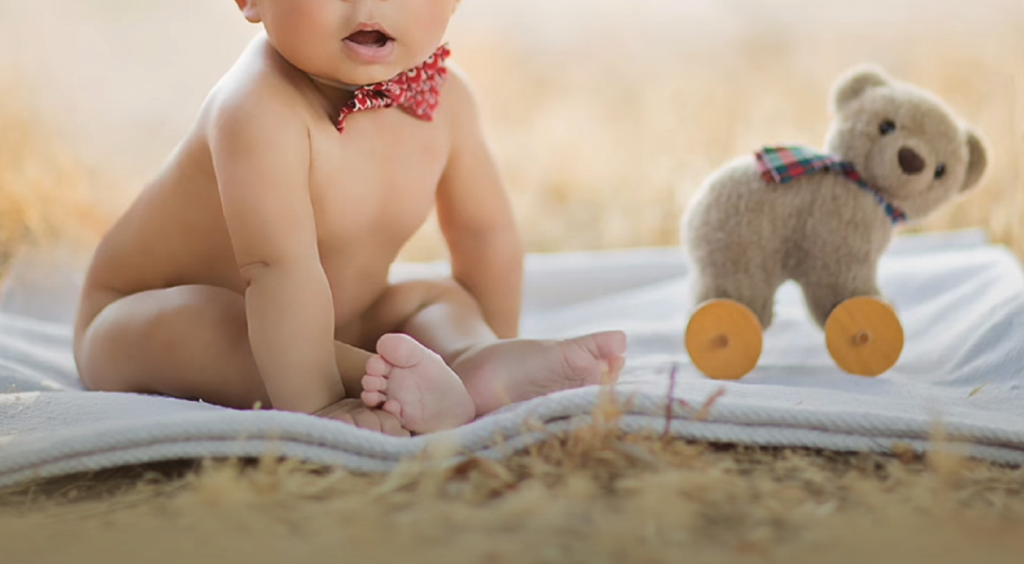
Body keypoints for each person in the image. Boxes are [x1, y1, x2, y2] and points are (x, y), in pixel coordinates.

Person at [73, 0, 628, 437]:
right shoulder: (257, 109)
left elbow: (486, 236)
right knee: (209, 320)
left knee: (431, 298)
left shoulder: (446, 103)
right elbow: (277, 270)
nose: (368, 3)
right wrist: (320, 404)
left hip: (337, 317)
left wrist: (498, 332)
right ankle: (381, 384)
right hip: (133, 324)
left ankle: (476, 364)